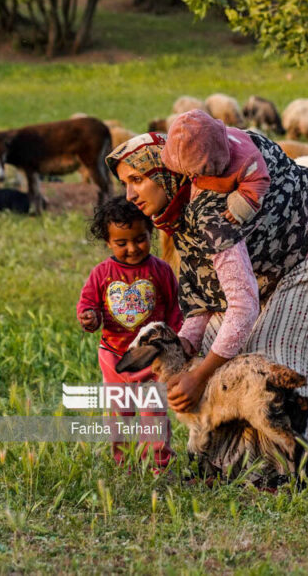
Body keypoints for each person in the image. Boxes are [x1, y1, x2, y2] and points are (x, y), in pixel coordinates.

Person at [107, 125, 308, 482]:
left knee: (275, 364)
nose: (130, 194)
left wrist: (198, 377)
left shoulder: (213, 213)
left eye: (138, 179)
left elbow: (242, 308)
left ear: (167, 171)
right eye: (126, 182)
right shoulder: (181, 204)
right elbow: (205, 290)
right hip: (273, 263)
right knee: (223, 352)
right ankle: (227, 469)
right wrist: (185, 345)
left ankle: (302, 474)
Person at [77, 196, 183, 469]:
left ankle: (158, 463)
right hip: (114, 357)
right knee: (118, 415)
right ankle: (121, 462)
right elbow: (89, 304)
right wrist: (90, 318)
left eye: (140, 238)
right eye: (122, 243)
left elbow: (174, 308)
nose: (133, 248)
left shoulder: (161, 270)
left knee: (154, 416)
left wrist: (176, 342)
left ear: (152, 233)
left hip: (152, 359)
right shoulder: (101, 273)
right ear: (108, 242)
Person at [162, 109, 270, 226]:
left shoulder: (245, 161)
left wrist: (242, 206)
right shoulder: (193, 155)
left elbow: (259, 179)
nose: (190, 175)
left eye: (196, 171)